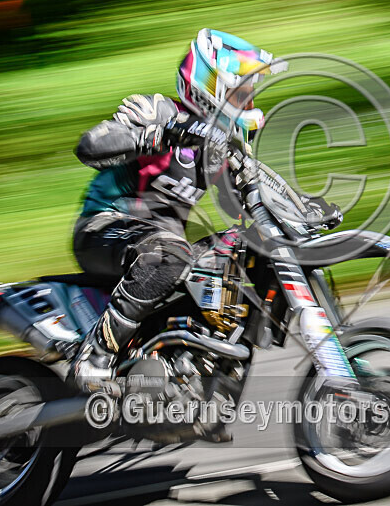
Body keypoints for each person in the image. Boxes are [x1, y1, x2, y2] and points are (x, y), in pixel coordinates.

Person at [69, 29, 281, 391]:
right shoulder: (159, 111)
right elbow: (89, 146)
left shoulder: (221, 148)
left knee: (252, 248)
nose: (249, 102)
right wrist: (154, 136)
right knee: (171, 253)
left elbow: (251, 204)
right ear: (210, 85)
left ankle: (215, 379)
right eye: (242, 93)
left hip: (161, 248)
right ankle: (96, 354)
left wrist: (302, 212)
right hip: (104, 228)